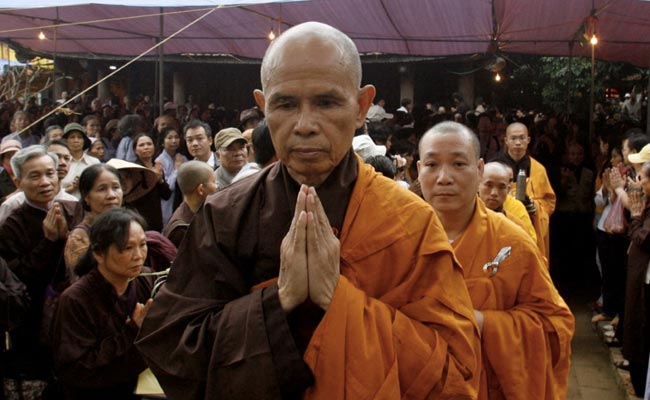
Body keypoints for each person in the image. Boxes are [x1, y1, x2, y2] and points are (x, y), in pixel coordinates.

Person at [137, 21, 480, 399]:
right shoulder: (225, 215)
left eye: (327, 102)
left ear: (361, 106)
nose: (304, 125)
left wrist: (337, 297)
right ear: (263, 107)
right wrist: (280, 300)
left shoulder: (410, 221)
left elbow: (454, 375)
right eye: (285, 104)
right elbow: (172, 349)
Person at [417, 121, 574, 400]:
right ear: (419, 170)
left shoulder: (513, 241)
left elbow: (555, 325)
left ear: (479, 170)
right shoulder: (401, 237)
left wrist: (485, 323)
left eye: (458, 164)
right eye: (431, 165)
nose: (444, 177)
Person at [0, 145, 78, 398]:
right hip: (34, 324)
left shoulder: (73, 209)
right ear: (18, 181)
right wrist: (48, 242)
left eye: (50, 173)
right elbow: (17, 281)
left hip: (71, 316)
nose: (45, 182)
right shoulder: (12, 224)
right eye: (34, 176)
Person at [53, 208, 153, 399]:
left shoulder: (145, 279)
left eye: (143, 245)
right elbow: (78, 370)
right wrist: (133, 331)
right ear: (99, 253)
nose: (138, 256)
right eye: (127, 248)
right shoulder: (75, 300)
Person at [494, 122, 556, 259]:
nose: (518, 143)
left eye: (522, 138)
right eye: (513, 138)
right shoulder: (494, 167)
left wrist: (535, 207)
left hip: (529, 227)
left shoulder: (538, 169)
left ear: (528, 140)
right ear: (506, 140)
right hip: (500, 225)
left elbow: (549, 202)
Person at [64, 163, 123, 280]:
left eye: (116, 187)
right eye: (102, 189)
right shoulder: (80, 237)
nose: (111, 195)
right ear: (86, 197)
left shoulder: (129, 227)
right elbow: (79, 281)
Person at [162, 160, 217, 248]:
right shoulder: (181, 229)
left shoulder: (200, 211)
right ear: (201, 189)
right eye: (214, 182)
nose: (217, 186)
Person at [478, 161, 537, 241]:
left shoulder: (517, 224)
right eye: (489, 185)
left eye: (501, 187)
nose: (494, 193)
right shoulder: (464, 217)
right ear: (478, 184)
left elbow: (529, 245)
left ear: (508, 189)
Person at [129, 133, 172, 232]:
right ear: (135, 150)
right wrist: (151, 178)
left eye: (149, 144)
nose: (146, 147)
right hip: (139, 218)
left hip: (156, 218)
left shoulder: (157, 167)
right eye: (141, 145)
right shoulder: (133, 170)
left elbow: (166, 195)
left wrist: (160, 180)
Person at [155, 126, 187, 226]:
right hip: (168, 203)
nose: (174, 141)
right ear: (162, 142)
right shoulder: (159, 161)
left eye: (176, 137)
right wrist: (177, 169)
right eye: (169, 138)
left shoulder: (182, 158)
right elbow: (168, 187)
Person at [61, 122, 100, 198]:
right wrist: (71, 188)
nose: (76, 140)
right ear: (66, 141)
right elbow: (54, 191)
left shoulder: (94, 162)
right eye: (72, 137)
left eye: (79, 137)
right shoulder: (61, 163)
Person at [0, 139, 21, 204]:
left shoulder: (31, 172)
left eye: (16, 155)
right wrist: (17, 192)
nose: (14, 159)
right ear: (2, 162)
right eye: (9, 156)